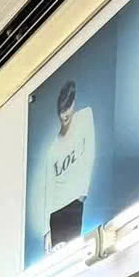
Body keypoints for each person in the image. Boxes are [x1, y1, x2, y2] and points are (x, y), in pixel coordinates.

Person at [42, 80, 94, 248]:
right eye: (61, 110)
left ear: (74, 103)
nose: (64, 114)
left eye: (67, 108)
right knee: (61, 255)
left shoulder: (85, 117)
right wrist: (46, 230)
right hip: (56, 210)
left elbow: (90, 151)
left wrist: (83, 191)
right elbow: (49, 188)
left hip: (74, 202)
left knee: (75, 249)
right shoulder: (53, 149)